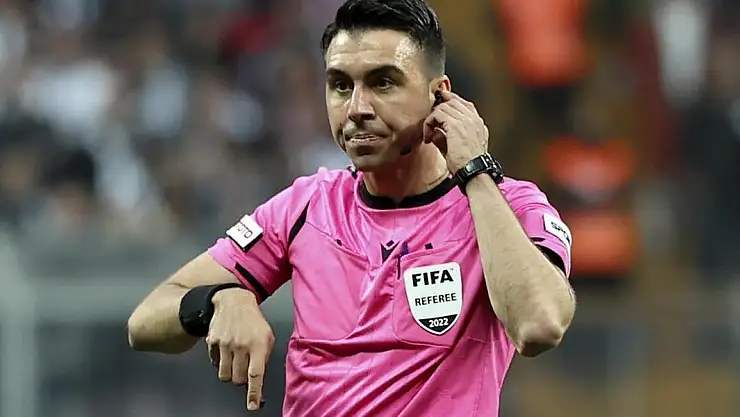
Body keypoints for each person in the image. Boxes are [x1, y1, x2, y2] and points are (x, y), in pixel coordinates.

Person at [126, 0, 576, 415]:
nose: (357, 108)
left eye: (383, 82)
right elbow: (145, 321)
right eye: (340, 85)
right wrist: (218, 298)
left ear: (439, 95)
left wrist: (475, 171)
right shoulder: (305, 206)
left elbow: (539, 326)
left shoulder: (506, 205)